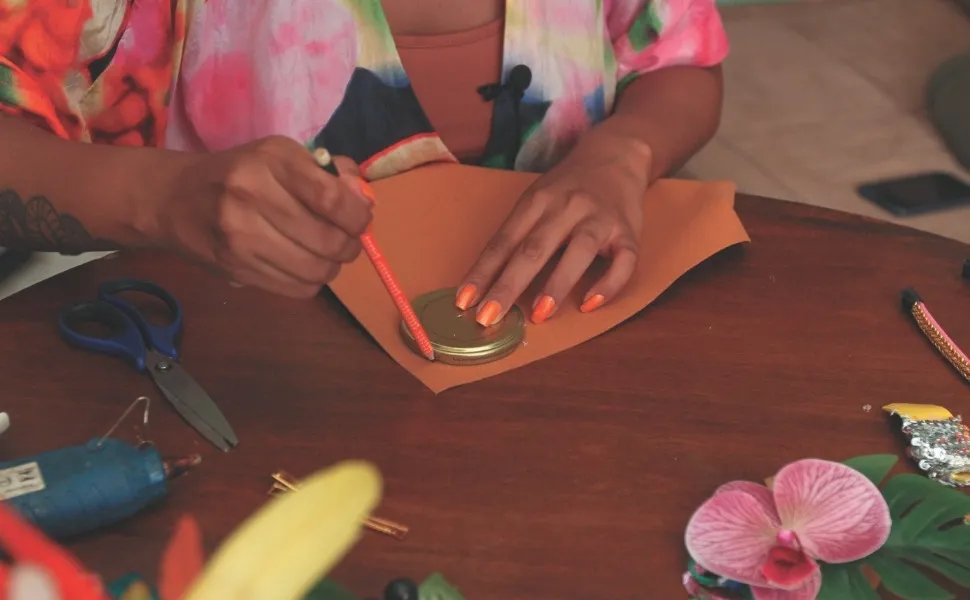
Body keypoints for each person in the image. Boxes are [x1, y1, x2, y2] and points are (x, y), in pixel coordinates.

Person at [0, 0, 727, 326]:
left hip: (550, 376)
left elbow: (680, 60)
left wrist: (621, 154)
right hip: (238, 365)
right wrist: (165, 198)